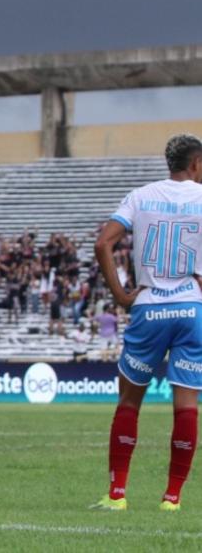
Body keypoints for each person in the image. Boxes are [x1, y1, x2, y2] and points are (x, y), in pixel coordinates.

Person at [91, 133, 202, 512]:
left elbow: (103, 242)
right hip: (191, 309)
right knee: (187, 405)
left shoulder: (140, 196)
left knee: (129, 401)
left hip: (149, 307)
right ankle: (172, 498)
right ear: (196, 164)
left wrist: (121, 296)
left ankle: (117, 494)